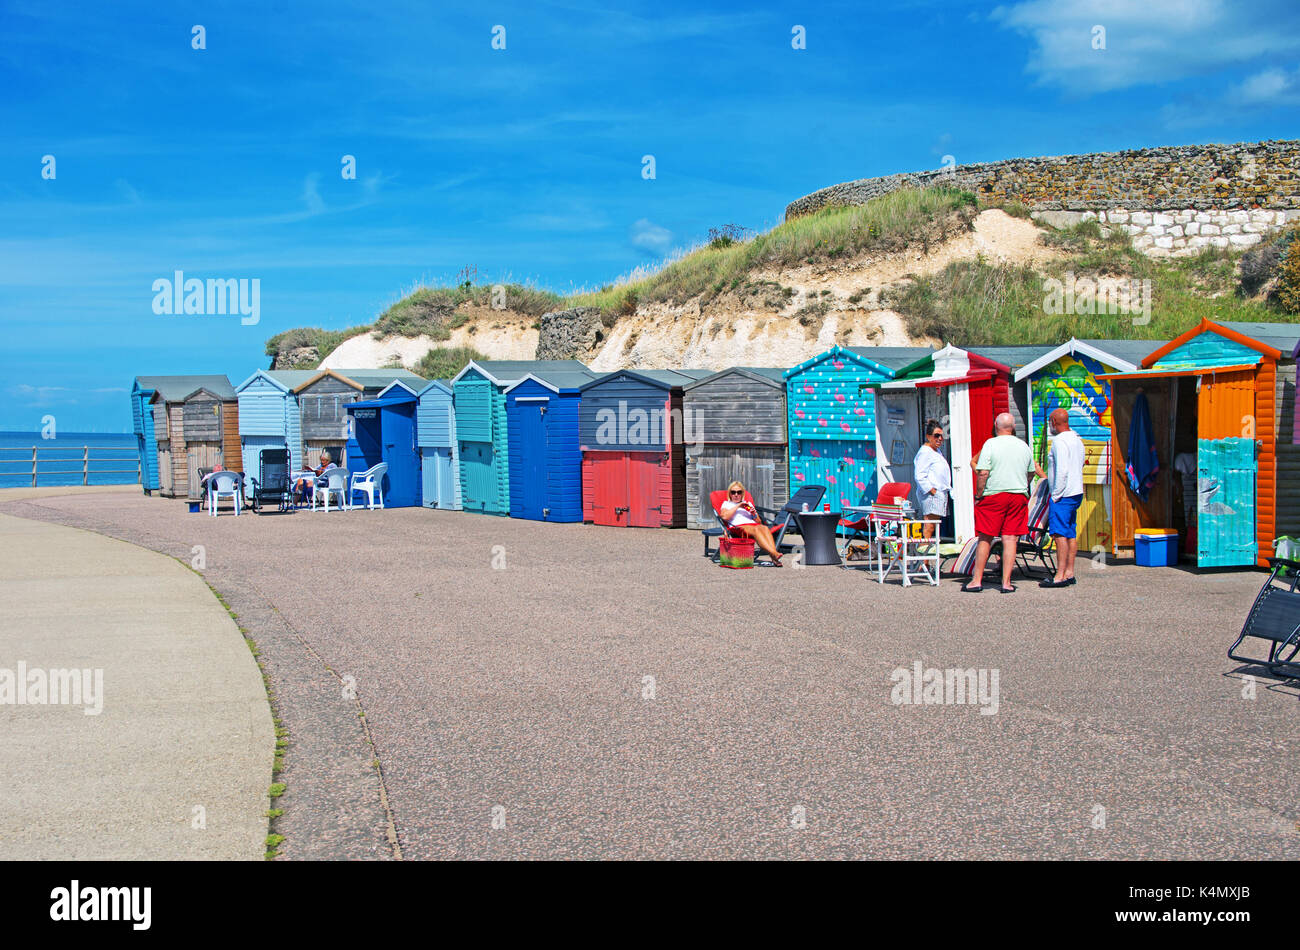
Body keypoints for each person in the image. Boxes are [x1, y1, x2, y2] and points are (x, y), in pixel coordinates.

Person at [963, 413, 1045, 594]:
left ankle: (976, 580)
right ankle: (1006, 583)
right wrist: (1022, 484)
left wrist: (979, 494)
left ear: (995, 425)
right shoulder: (1024, 446)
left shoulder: (990, 444)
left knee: (986, 536)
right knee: (1010, 538)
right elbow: (1031, 472)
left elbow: (983, 472)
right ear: (1014, 426)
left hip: (994, 495)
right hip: (1017, 496)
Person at [1040, 408, 1086, 588]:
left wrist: (1056, 494)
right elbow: (1080, 463)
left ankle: (1059, 576)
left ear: (1053, 421)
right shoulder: (1077, 439)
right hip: (1076, 491)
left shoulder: (1059, 441)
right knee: (1070, 533)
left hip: (1063, 493)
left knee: (1059, 535)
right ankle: (1069, 572)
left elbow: (1062, 470)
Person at [720, 480, 783, 566]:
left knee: (764, 527)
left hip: (754, 525)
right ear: (729, 494)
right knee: (757, 529)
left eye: (739, 492)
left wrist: (753, 514)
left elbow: (758, 521)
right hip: (738, 527)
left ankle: (774, 556)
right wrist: (738, 505)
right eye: (733, 492)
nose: (736, 495)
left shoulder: (748, 504)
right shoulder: (726, 504)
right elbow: (724, 517)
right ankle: (774, 554)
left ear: (742, 494)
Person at [913, 419, 951, 541]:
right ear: (928, 436)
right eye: (936, 436)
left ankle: (926, 557)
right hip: (931, 494)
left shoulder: (936, 451)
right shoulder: (925, 452)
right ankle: (924, 558)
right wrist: (931, 490)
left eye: (941, 436)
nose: (940, 439)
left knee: (933, 525)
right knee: (929, 525)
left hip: (938, 492)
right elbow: (919, 475)